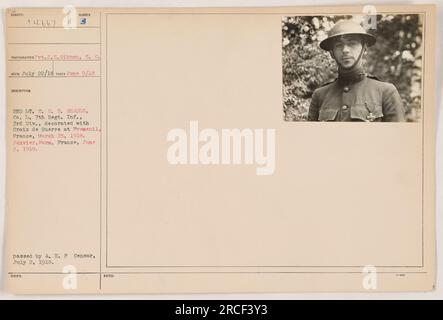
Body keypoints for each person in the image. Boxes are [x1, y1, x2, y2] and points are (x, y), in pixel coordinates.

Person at [308, 20, 406, 122]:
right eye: (339, 45)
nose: (345, 50)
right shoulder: (320, 95)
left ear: (364, 49)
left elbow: (396, 136)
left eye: (352, 44)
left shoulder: (386, 92)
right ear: (332, 53)